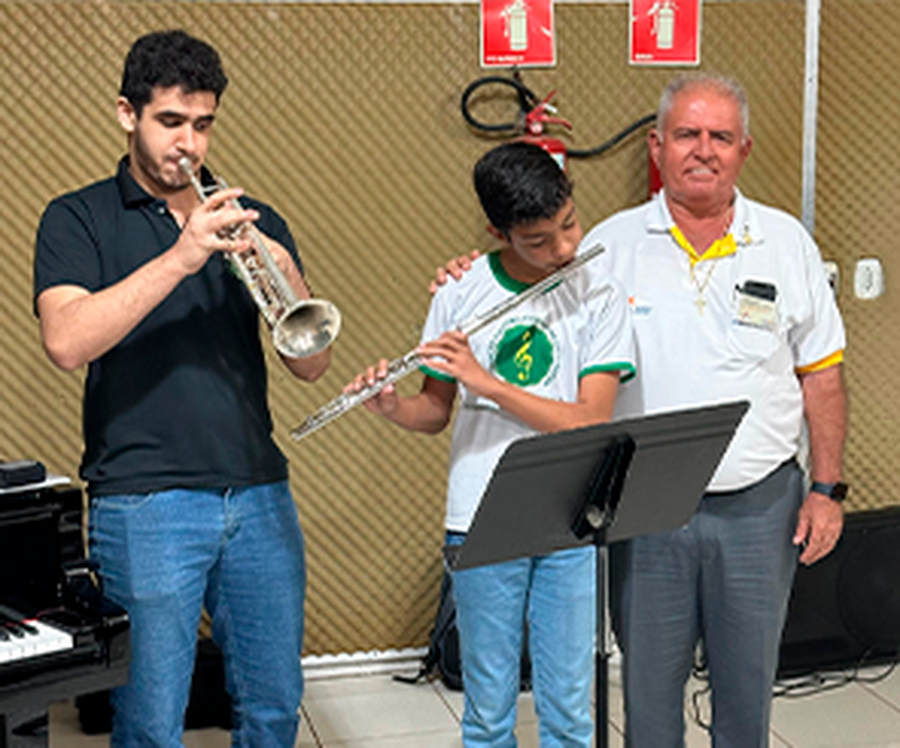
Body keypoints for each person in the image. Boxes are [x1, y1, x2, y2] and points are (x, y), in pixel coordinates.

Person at [436, 74, 847, 747]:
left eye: (720, 136)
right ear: (658, 146)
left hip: (761, 500)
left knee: (749, 684)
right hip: (643, 506)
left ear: (745, 148)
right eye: (687, 134)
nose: (703, 150)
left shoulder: (786, 242)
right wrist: (463, 273)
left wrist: (826, 489)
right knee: (649, 692)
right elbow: (523, 276)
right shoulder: (605, 245)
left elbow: (823, 378)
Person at [33, 30, 330, 747]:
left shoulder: (248, 215)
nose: (188, 144)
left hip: (259, 492)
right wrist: (182, 255)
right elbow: (66, 341)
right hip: (144, 501)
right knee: (150, 723)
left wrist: (286, 277)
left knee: (273, 707)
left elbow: (310, 363)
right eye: (171, 122)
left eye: (203, 125)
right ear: (126, 114)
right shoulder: (77, 218)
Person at [349, 141, 635, 747]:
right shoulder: (460, 290)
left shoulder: (601, 290)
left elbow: (591, 420)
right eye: (538, 240)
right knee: (486, 713)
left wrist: (487, 381)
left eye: (570, 225)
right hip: (481, 517)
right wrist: (390, 404)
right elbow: (434, 411)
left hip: (570, 517)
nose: (563, 249)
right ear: (497, 232)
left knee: (568, 713)